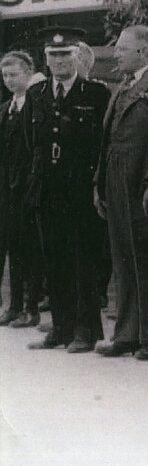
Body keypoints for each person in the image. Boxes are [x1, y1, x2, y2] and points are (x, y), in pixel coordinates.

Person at [94, 26, 148, 360]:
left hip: (142, 183)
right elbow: (108, 139)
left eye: (122, 48)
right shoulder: (123, 86)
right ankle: (127, 334)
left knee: (146, 258)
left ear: (144, 51)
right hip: (116, 180)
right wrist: (99, 184)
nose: (116, 54)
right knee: (122, 258)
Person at [26, 27, 110, 352]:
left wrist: (97, 185)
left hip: (80, 188)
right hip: (47, 188)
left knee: (83, 260)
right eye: (53, 55)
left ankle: (86, 330)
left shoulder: (96, 94)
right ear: (45, 59)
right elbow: (32, 143)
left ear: (78, 57)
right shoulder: (37, 94)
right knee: (54, 259)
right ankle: (60, 328)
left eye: (65, 54)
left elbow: (102, 144)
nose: (59, 61)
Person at [0, 52, 42, 328]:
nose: (8, 80)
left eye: (13, 74)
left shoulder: (36, 106)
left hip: (29, 188)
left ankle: (31, 307)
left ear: (28, 73)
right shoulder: (5, 109)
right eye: (5, 75)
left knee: (30, 249)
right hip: (7, 190)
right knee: (12, 247)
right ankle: (14, 306)